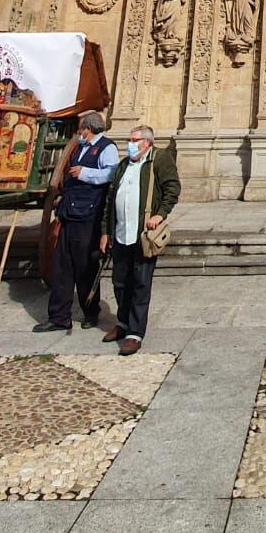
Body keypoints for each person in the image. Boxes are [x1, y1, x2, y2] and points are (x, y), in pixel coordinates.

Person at [98, 125, 180, 355]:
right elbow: (110, 198)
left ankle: (135, 333)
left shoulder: (159, 160)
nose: (130, 143)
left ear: (147, 143)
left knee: (141, 282)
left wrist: (159, 214)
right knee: (120, 281)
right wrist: (106, 231)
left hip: (143, 234)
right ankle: (123, 322)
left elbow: (172, 189)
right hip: (121, 232)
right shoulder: (124, 165)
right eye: (129, 139)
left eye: (134, 139)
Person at [33, 111, 117, 334]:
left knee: (85, 267)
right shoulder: (81, 148)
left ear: (88, 129)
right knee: (62, 267)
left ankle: (91, 312)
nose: (78, 132)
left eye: (80, 129)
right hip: (70, 213)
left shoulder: (107, 148)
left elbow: (111, 174)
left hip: (88, 216)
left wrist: (85, 173)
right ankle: (59, 317)